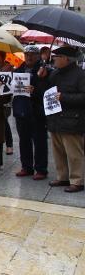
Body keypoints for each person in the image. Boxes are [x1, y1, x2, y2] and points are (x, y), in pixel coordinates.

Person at [39, 46, 85, 193]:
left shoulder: (80, 75)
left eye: (57, 57)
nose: (54, 59)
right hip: (55, 119)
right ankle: (62, 176)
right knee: (58, 151)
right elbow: (46, 91)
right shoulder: (55, 73)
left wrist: (64, 97)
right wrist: (43, 78)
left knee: (74, 153)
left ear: (66, 59)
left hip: (72, 120)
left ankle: (77, 180)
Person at [13, 45, 48, 180]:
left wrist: (37, 88)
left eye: (32, 54)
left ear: (38, 56)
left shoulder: (44, 70)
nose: (29, 57)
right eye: (27, 54)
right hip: (21, 110)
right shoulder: (19, 69)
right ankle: (26, 167)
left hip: (37, 111)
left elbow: (48, 91)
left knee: (39, 141)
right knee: (24, 140)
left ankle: (41, 169)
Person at [0, 50, 14, 155]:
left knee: (4, 122)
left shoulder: (8, 68)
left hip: (5, 101)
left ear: (2, 57)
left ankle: (9, 145)